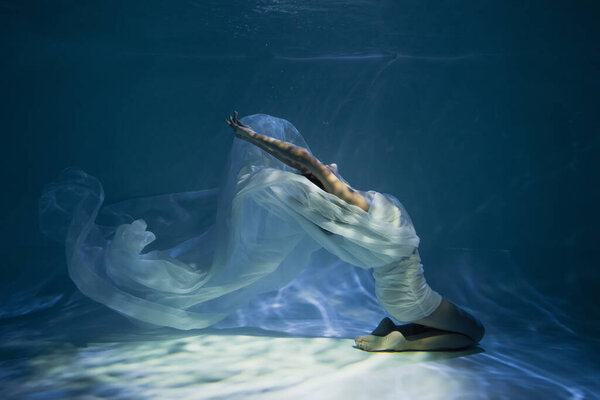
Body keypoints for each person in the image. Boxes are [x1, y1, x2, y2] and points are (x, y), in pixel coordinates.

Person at [225, 112, 484, 351]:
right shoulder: (345, 197)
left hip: (397, 293)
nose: (331, 164)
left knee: (454, 326)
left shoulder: (346, 212)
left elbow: (306, 163)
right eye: (323, 168)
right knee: (475, 332)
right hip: (410, 294)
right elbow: (303, 157)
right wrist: (252, 137)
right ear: (319, 178)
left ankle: (394, 330)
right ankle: (403, 343)